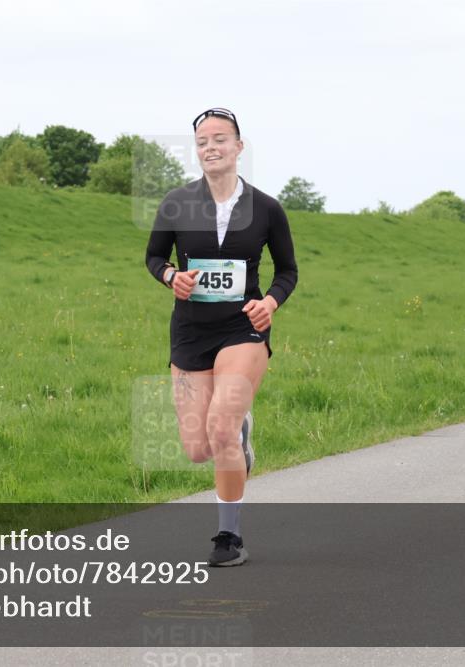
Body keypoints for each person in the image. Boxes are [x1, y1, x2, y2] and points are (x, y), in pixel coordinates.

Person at [145, 107, 297, 566]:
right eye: (202, 142)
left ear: (238, 146)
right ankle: (238, 431)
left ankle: (228, 537)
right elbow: (153, 258)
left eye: (219, 139)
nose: (210, 148)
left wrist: (269, 302)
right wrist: (172, 275)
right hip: (191, 331)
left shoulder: (267, 207)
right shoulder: (177, 202)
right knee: (197, 448)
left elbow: (288, 270)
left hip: (243, 330)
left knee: (221, 429)